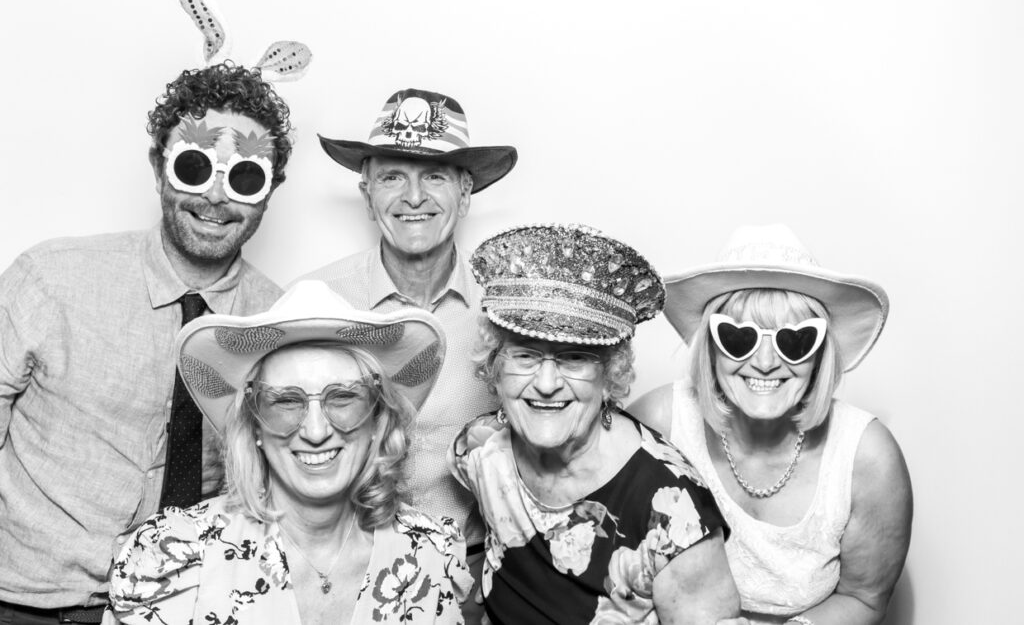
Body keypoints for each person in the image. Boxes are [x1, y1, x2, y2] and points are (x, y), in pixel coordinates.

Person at [0, 60, 298, 623]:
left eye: (245, 178)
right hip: (27, 603)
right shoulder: (51, 280)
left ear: (269, 192)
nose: (215, 198)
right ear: (159, 168)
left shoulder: (281, 325)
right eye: (194, 166)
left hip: (182, 608)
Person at [108, 281, 471, 624]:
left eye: (343, 397)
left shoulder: (429, 552)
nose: (315, 431)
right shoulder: (175, 557)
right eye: (285, 402)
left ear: (377, 419)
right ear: (254, 426)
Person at [295, 88, 517, 623]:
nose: (413, 196)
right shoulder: (312, 302)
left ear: (466, 195)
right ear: (367, 193)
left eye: (435, 176)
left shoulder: (507, 311)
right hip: (335, 579)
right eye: (393, 176)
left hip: (474, 584)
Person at [449, 224, 740, 625]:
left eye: (574, 358)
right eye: (525, 356)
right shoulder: (478, 450)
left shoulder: (675, 516)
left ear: (609, 377)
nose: (547, 384)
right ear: (494, 369)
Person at [629, 224, 913, 625]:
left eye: (794, 341)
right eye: (738, 337)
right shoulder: (659, 423)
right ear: (710, 346)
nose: (764, 362)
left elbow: (864, 598)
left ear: (820, 353)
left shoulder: (868, 457)